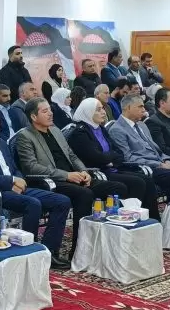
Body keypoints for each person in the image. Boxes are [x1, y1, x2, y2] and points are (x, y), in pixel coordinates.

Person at [13, 98, 128, 255]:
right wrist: (66, 175)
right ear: (33, 116)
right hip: (51, 181)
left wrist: (84, 172)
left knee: (117, 187)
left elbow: (71, 155)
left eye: (50, 109)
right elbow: (31, 167)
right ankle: (80, 249)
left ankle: (109, 242)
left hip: (73, 177)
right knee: (84, 194)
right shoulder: (25, 136)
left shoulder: (55, 131)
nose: (51, 113)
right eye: (45, 111)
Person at [0, 108, 71, 267]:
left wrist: (20, 180)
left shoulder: (1, 142)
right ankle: (28, 252)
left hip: (18, 186)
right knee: (33, 203)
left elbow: (15, 167)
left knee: (62, 201)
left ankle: (49, 251)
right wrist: (11, 181)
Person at [67, 99, 161, 221]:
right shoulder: (80, 132)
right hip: (97, 172)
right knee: (137, 182)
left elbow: (119, 154)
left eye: (103, 108)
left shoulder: (101, 129)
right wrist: (109, 158)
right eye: (98, 110)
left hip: (111, 168)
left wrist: (109, 159)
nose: (103, 112)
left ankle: (151, 221)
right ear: (88, 112)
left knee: (146, 180)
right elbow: (96, 157)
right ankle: (127, 220)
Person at [106, 95, 170, 199]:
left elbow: (155, 149)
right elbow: (128, 157)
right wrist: (159, 164)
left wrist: (167, 159)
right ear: (128, 108)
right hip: (144, 167)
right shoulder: (117, 129)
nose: (144, 110)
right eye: (140, 106)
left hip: (160, 161)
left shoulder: (142, 125)